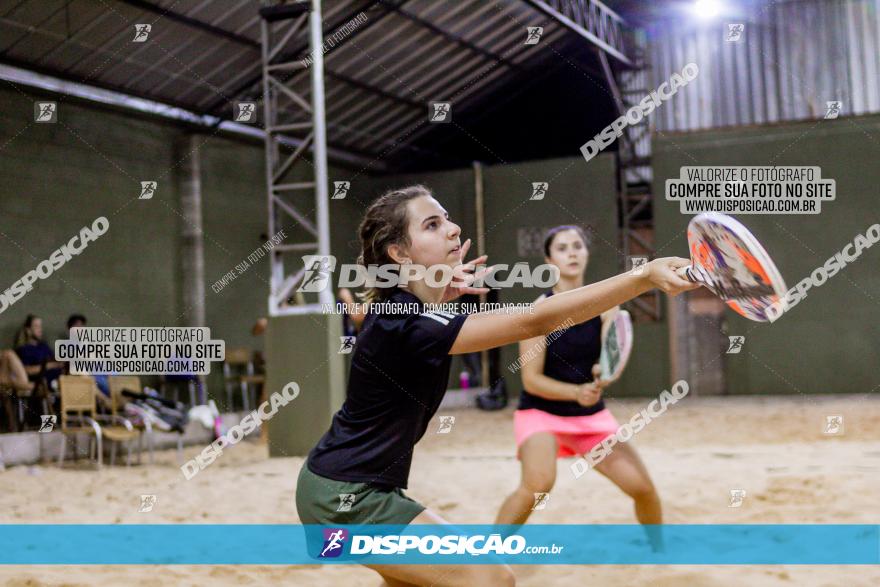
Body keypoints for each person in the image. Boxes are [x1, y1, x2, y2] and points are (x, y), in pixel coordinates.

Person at [294, 185, 697, 586]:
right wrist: (643, 276)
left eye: (446, 218)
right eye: (432, 225)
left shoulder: (407, 312)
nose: (452, 229)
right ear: (399, 253)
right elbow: (535, 319)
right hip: (345, 499)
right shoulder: (407, 323)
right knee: (491, 579)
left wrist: (438, 292)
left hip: (355, 490)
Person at [494, 226, 663, 550]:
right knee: (538, 485)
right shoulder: (538, 312)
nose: (571, 252)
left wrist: (604, 374)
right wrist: (575, 392)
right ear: (549, 259)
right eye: (562, 248)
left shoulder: (606, 306)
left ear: (586, 253)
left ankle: (659, 551)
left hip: (589, 417)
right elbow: (531, 380)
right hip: (540, 413)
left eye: (577, 246)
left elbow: (609, 359)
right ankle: (486, 556)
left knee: (643, 488)